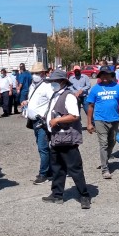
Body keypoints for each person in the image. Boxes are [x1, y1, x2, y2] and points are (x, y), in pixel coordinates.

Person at [40, 70, 91, 209]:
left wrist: (57, 120)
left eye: (54, 82)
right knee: (57, 168)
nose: (52, 84)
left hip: (67, 138)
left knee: (74, 168)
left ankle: (84, 195)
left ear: (62, 82)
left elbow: (74, 116)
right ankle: (57, 194)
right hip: (56, 137)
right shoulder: (56, 95)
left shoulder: (69, 96)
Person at [85, 66, 119, 178]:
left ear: (111, 75)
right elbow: (90, 106)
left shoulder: (118, 87)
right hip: (100, 120)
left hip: (114, 119)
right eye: (103, 74)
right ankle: (105, 169)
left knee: (112, 142)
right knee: (103, 144)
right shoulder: (95, 89)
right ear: (100, 76)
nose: (105, 76)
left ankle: (105, 159)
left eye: (107, 74)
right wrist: (89, 123)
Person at [20, 62, 53, 185]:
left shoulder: (47, 86)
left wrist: (46, 116)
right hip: (34, 121)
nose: (35, 75)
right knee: (42, 148)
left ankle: (43, 173)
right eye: (33, 73)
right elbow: (34, 99)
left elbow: (52, 102)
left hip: (41, 121)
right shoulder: (33, 86)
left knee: (43, 148)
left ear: (43, 74)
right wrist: (26, 102)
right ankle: (49, 169)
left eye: (37, 73)